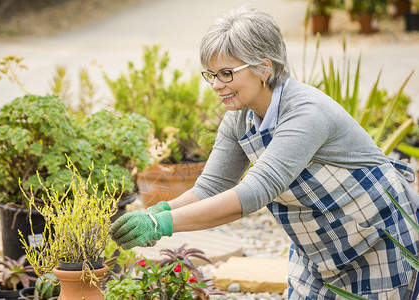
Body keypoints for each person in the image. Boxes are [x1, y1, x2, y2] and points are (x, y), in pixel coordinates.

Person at [110, 5, 419, 299]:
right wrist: (159, 212)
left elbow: (255, 192)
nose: (216, 85)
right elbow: (211, 187)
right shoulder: (239, 119)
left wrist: (162, 226)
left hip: (379, 241)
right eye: (211, 74)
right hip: (319, 251)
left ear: (263, 67)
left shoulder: (306, 113)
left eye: (226, 73)